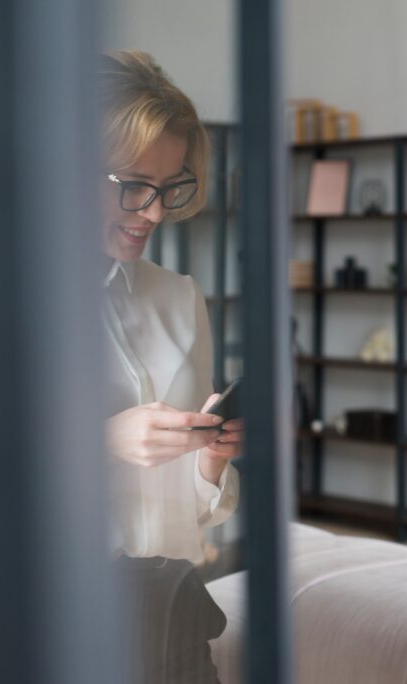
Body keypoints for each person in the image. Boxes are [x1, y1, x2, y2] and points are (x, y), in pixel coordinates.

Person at [100, 50, 241, 684]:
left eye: (170, 187)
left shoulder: (177, 297)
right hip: (52, 600)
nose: (154, 212)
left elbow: (198, 508)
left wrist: (211, 461)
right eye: (132, 184)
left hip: (175, 601)